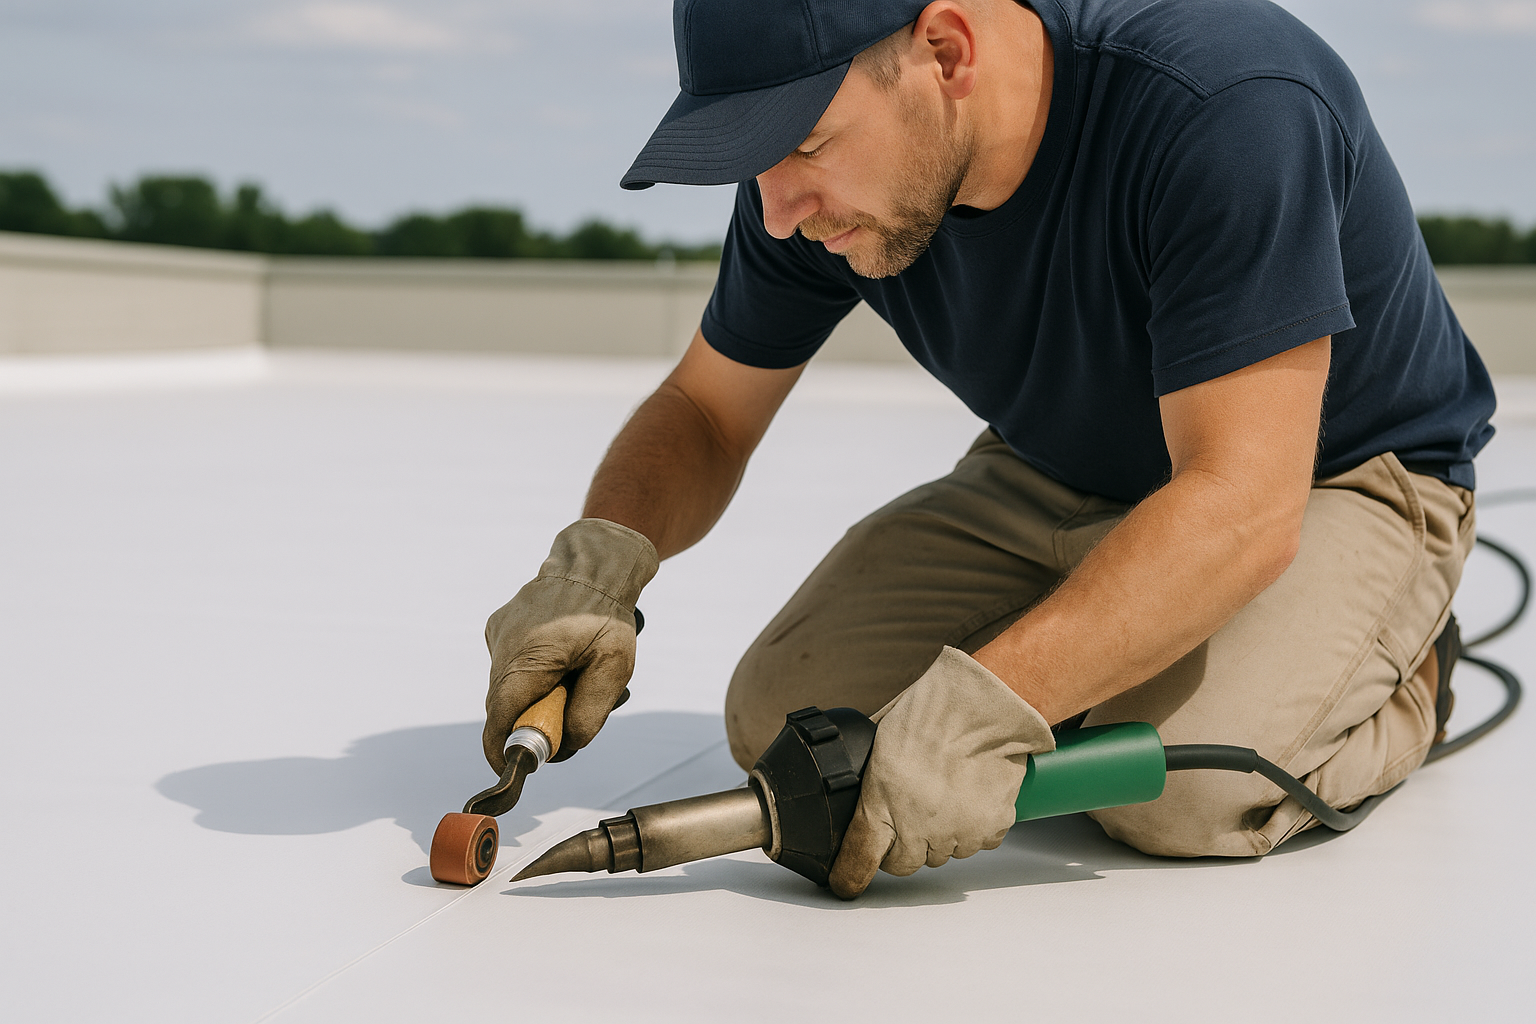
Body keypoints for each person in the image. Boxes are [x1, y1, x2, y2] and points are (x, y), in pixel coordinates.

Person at [480, 0, 1495, 899]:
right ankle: (1106, 647)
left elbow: (1239, 502)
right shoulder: (811, 186)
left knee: (1187, 789)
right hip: (1057, 467)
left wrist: (992, 698)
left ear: (947, 50)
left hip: (1329, 478)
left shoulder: (1225, 100)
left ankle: (1406, 668)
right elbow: (706, 410)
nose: (778, 210)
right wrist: (601, 563)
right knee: (786, 722)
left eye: (806, 145)